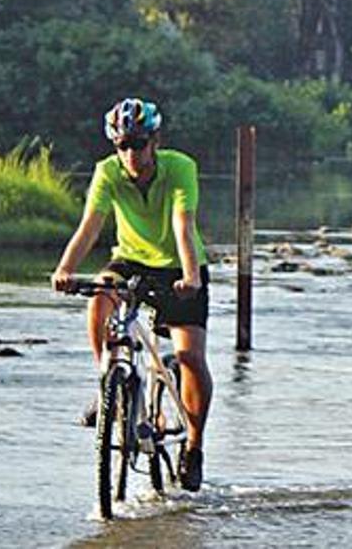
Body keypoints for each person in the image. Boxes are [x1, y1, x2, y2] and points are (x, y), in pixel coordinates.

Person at [52, 98, 212, 492]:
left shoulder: (179, 168)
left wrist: (191, 274)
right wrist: (65, 268)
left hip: (179, 266)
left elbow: (183, 224)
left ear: (155, 140)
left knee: (190, 356)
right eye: (121, 144)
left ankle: (193, 446)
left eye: (138, 143)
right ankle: (107, 382)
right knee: (100, 295)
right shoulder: (107, 172)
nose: (130, 153)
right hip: (131, 259)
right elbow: (91, 224)